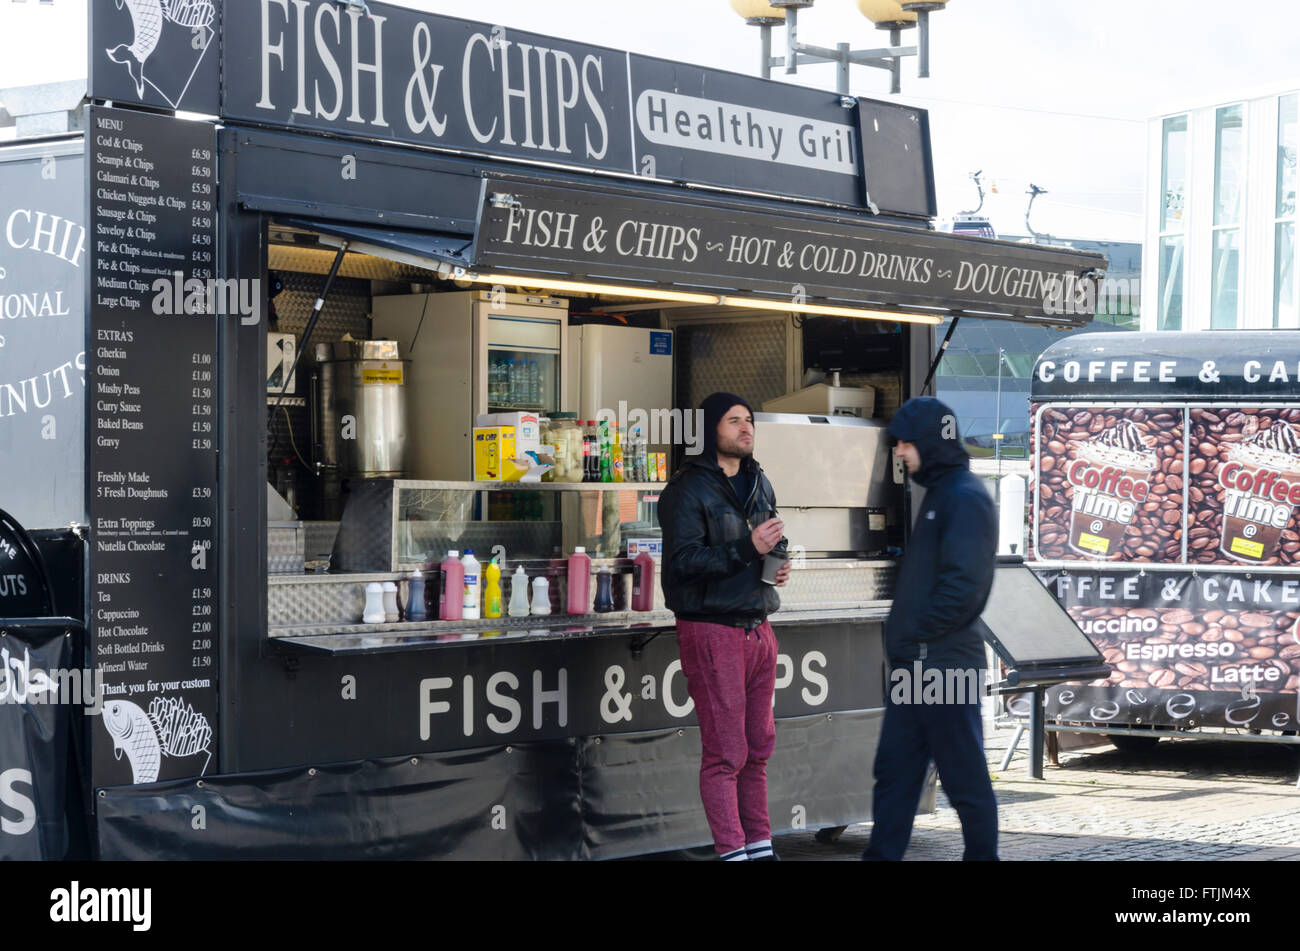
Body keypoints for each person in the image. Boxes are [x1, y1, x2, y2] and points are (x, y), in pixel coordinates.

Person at [863, 396, 999, 861]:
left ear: (927, 442)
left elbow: (965, 587)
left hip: (942, 665)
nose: (899, 452)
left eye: (905, 442)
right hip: (917, 667)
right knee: (895, 774)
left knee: (964, 778)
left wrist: (919, 636)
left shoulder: (964, 497)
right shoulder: (942, 494)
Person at [658, 392, 790, 861]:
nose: (745, 428)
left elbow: (774, 536)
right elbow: (683, 563)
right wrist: (747, 549)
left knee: (758, 748)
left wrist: (777, 562)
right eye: (734, 421)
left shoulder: (760, 481)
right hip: (712, 628)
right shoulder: (686, 490)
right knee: (727, 751)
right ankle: (732, 852)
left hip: (759, 626)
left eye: (749, 420)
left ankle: (759, 847)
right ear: (711, 430)